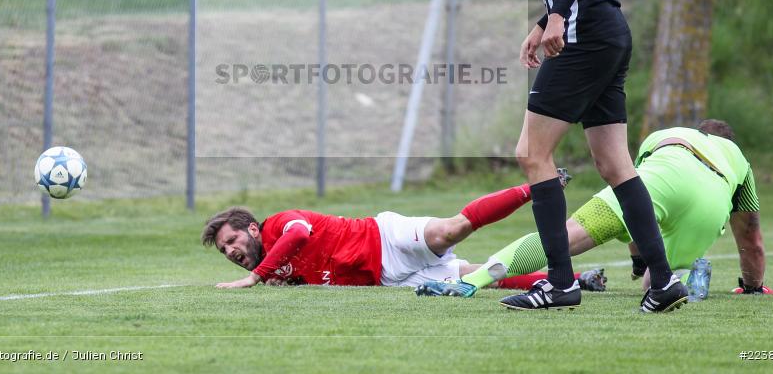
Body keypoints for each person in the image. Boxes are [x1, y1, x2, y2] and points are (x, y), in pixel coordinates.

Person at [508, 0, 686, 312]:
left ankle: (560, 284)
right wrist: (546, 17)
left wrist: (559, 16)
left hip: (586, 38)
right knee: (614, 162)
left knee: (532, 153)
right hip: (609, 31)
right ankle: (664, 281)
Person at [416, 120, 773, 309]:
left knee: (562, 237)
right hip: (710, 200)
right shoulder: (739, 161)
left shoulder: (666, 135)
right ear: (730, 142)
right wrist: (752, 287)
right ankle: (678, 275)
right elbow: (751, 240)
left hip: (659, 175)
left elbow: (636, 200)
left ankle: (471, 281)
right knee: (657, 284)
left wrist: (636, 251)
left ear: (699, 131)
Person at [204, 171, 606, 291]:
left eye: (232, 241)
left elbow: (299, 236)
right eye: (225, 251)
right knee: (481, 276)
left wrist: (253, 278)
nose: (231, 252)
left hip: (384, 238)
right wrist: (270, 277)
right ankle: (575, 279)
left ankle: (536, 187)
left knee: (452, 230)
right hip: (386, 277)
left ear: (253, 228)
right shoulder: (274, 269)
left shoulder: (279, 224)